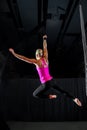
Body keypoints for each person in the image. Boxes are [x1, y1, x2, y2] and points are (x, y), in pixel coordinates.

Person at [9, 35, 82, 107]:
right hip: (52, 81)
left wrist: (14, 54)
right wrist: (44, 39)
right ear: (42, 54)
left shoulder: (37, 62)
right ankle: (74, 98)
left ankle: (49, 96)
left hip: (45, 84)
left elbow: (24, 58)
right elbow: (45, 47)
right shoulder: (46, 58)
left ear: (37, 55)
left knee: (35, 94)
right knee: (62, 91)